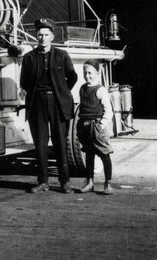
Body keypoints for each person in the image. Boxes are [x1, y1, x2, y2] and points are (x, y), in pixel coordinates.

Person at [20, 18, 78, 193]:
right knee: (41, 143)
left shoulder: (62, 55)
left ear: (52, 36)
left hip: (57, 103)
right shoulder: (29, 58)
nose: (42, 38)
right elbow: (24, 82)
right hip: (37, 103)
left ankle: (64, 182)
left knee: (60, 142)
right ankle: (43, 181)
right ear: (36, 36)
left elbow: (72, 76)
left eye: (46, 35)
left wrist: (62, 92)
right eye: (39, 35)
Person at [77, 59, 114, 195]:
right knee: (89, 154)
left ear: (97, 73)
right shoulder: (82, 88)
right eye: (85, 73)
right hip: (84, 126)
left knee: (104, 154)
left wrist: (102, 124)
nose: (87, 76)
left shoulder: (100, 90)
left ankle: (108, 184)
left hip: (96, 126)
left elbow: (108, 110)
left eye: (90, 73)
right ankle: (89, 183)